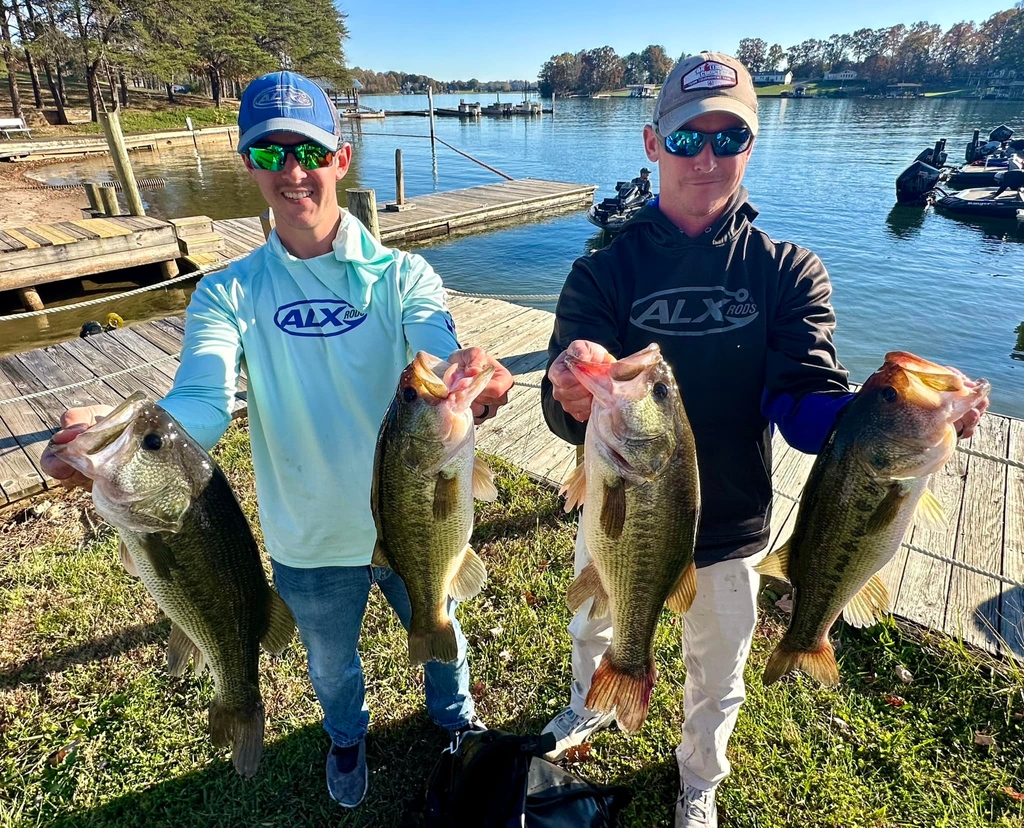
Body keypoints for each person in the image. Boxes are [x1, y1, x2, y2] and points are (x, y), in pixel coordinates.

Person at [41, 71, 513, 810]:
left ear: (341, 159)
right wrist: (123, 452)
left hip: (415, 517)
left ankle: (455, 721)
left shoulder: (404, 275)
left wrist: (469, 374)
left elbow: (436, 344)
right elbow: (199, 401)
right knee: (331, 668)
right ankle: (347, 735)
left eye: (308, 151)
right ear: (249, 165)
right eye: (269, 155)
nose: (292, 172)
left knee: (444, 623)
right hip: (308, 538)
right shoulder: (228, 291)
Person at [538, 52, 987, 828]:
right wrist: (568, 390)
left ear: (752, 144)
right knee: (597, 621)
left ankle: (699, 779)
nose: (707, 158)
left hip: (734, 525)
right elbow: (565, 410)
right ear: (653, 144)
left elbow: (805, 403)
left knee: (720, 672)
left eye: (729, 137)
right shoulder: (603, 271)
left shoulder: (789, 271)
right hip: (622, 511)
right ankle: (591, 704)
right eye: (687, 140)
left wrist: (884, 421)